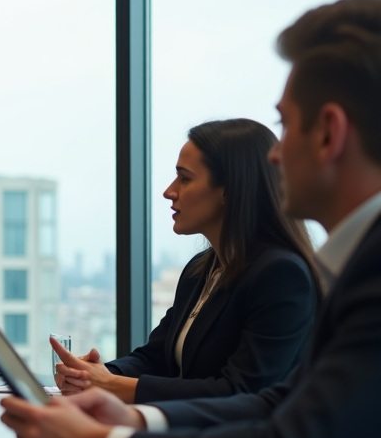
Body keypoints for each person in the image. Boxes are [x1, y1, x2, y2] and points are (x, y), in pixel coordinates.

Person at [0, 0, 381, 438]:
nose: (274, 155)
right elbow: (278, 402)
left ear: (329, 133)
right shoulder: (342, 266)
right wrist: (136, 418)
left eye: (283, 126)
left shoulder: (350, 274)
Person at [52, 119, 318, 403]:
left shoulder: (280, 275)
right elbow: (156, 357)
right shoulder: (199, 270)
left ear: (229, 189)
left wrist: (112, 385)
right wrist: (94, 375)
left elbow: (241, 392)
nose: (169, 191)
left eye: (185, 178)